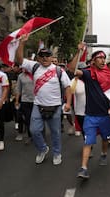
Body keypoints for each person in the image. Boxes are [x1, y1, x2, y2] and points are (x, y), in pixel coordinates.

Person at [16, 34, 72, 165]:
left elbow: (68, 87)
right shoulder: (34, 66)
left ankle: (57, 153)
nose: (45, 58)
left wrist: (68, 103)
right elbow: (19, 59)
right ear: (39, 58)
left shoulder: (59, 71)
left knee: (55, 133)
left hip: (55, 107)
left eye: (48, 56)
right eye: (42, 56)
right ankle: (43, 149)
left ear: (52, 58)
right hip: (38, 106)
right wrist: (21, 43)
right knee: (34, 130)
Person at [69, 43, 110, 179]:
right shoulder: (87, 73)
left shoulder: (109, 75)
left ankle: (103, 154)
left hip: (105, 116)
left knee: (105, 139)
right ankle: (83, 168)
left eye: (104, 58)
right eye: (99, 58)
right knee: (88, 141)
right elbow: (72, 69)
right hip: (90, 116)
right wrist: (78, 51)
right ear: (93, 61)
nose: (103, 60)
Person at [14, 66, 34, 143]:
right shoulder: (20, 76)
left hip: (36, 101)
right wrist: (16, 101)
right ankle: (30, 136)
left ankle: (40, 135)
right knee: (28, 119)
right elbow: (18, 89)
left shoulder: (35, 74)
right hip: (25, 101)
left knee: (38, 119)